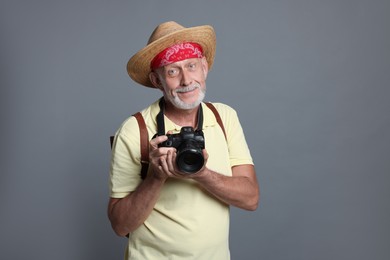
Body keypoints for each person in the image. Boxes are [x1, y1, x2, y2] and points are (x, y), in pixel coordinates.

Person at [108, 21, 259, 260]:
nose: (186, 80)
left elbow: (251, 199)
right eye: (172, 71)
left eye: (191, 66)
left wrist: (201, 173)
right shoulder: (135, 130)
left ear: (204, 68)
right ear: (157, 81)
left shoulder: (224, 118)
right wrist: (156, 177)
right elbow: (120, 225)